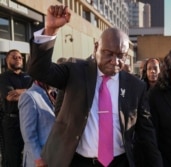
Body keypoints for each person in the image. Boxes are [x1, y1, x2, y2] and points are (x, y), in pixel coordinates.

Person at [27, 5, 162, 167]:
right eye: (109, 53)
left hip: (119, 162)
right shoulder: (74, 70)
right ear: (96, 47)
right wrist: (50, 30)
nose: (115, 61)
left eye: (121, 56)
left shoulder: (135, 86)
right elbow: (38, 71)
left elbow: (146, 134)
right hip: (78, 161)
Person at [0, 49, 32, 167]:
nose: (18, 59)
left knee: (31, 155)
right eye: (14, 57)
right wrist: (30, 93)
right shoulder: (4, 77)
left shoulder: (28, 76)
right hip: (12, 123)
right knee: (12, 157)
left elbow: (39, 93)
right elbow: (10, 97)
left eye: (20, 57)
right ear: (6, 60)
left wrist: (19, 92)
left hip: (29, 120)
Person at [18, 80, 55, 167]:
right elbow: (28, 134)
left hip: (53, 157)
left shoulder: (53, 94)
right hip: (39, 161)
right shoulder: (29, 96)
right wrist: (38, 158)